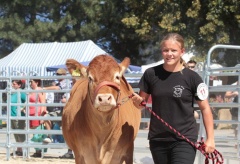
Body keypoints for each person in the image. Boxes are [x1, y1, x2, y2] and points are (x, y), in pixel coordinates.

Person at [132, 33, 215, 164]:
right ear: (161, 52)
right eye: (166, 50)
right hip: (158, 139)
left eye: (173, 50)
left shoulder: (193, 78)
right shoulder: (151, 74)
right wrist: (137, 103)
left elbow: (205, 109)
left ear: (182, 51)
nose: (169, 54)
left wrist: (211, 138)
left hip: (185, 139)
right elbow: (140, 105)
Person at [28, 78, 48, 157]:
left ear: (36, 82)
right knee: (34, 133)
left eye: (31, 82)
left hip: (38, 113)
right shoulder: (31, 91)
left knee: (38, 132)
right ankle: (37, 150)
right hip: (31, 113)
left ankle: (40, 150)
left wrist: (42, 116)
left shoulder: (40, 90)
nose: (30, 84)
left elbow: (43, 102)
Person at [10, 80, 26, 156]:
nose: (12, 85)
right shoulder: (13, 93)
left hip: (18, 116)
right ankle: (19, 149)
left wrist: (23, 108)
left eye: (14, 84)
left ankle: (22, 149)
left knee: (20, 133)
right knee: (16, 133)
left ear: (19, 85)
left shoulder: (21, 92)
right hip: (12, 115)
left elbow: (28, 100)